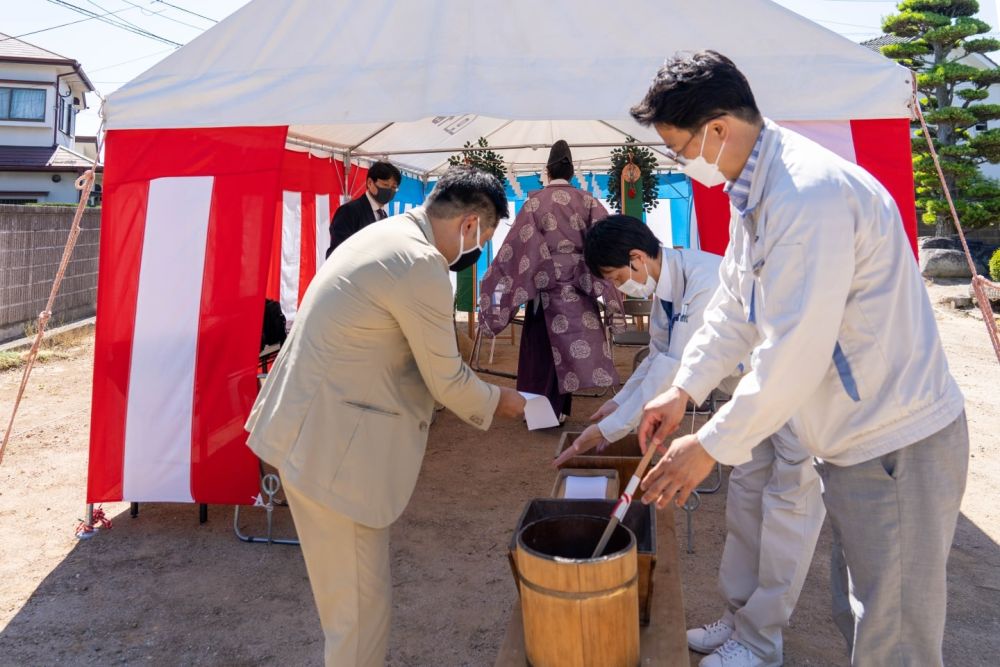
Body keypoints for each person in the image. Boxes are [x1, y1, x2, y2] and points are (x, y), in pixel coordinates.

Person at [632, 51, 967, 667]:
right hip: (850, 440)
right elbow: (734, 309)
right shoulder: (754, 196)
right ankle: (748, 629)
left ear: (717, 129)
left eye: (679, 149)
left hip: (892, 440)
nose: (681, 163)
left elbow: (795, 349)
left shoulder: (805, 195)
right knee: (861, 608)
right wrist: (684, 388)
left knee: (893, 634)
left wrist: (708, 444)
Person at [246, 166, 527, 666]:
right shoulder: (420, 264)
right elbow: (448, 382)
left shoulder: (389, 233)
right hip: (333, 453)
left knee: (350, 609)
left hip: (308, 431)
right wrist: (511, 403)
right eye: (485, 233)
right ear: (469, 225)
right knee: (359, 618)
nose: (480, 245)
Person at [555, 215, 825, 667]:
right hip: (749, 401)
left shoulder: (704, 280)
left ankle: (762, 642)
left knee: (786, 513)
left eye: (621, 278)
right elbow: (657, 359)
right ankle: (737, 620)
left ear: (638, 258)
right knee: (744, 501)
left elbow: (673, 372)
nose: (624, 289)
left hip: (796, 397)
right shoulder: (665, 287)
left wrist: (605, 430)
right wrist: (615, 404)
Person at [479, 140, 619, 421]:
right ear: (571, 172)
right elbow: (609, 238)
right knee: (570, 347)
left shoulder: (534, 202)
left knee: (540, 352)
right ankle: (562, 411)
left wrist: (525, 272)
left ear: (547, 170)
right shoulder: (588, 200)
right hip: (580, 287)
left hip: (541, 287)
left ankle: (541, 414)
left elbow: (516, 247)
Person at [326, 160, 402, 257]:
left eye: (393, 187)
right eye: (385, 185)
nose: (389, 190)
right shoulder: (349, 211)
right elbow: (336, 254)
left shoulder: (384, 216)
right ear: (370, 183)